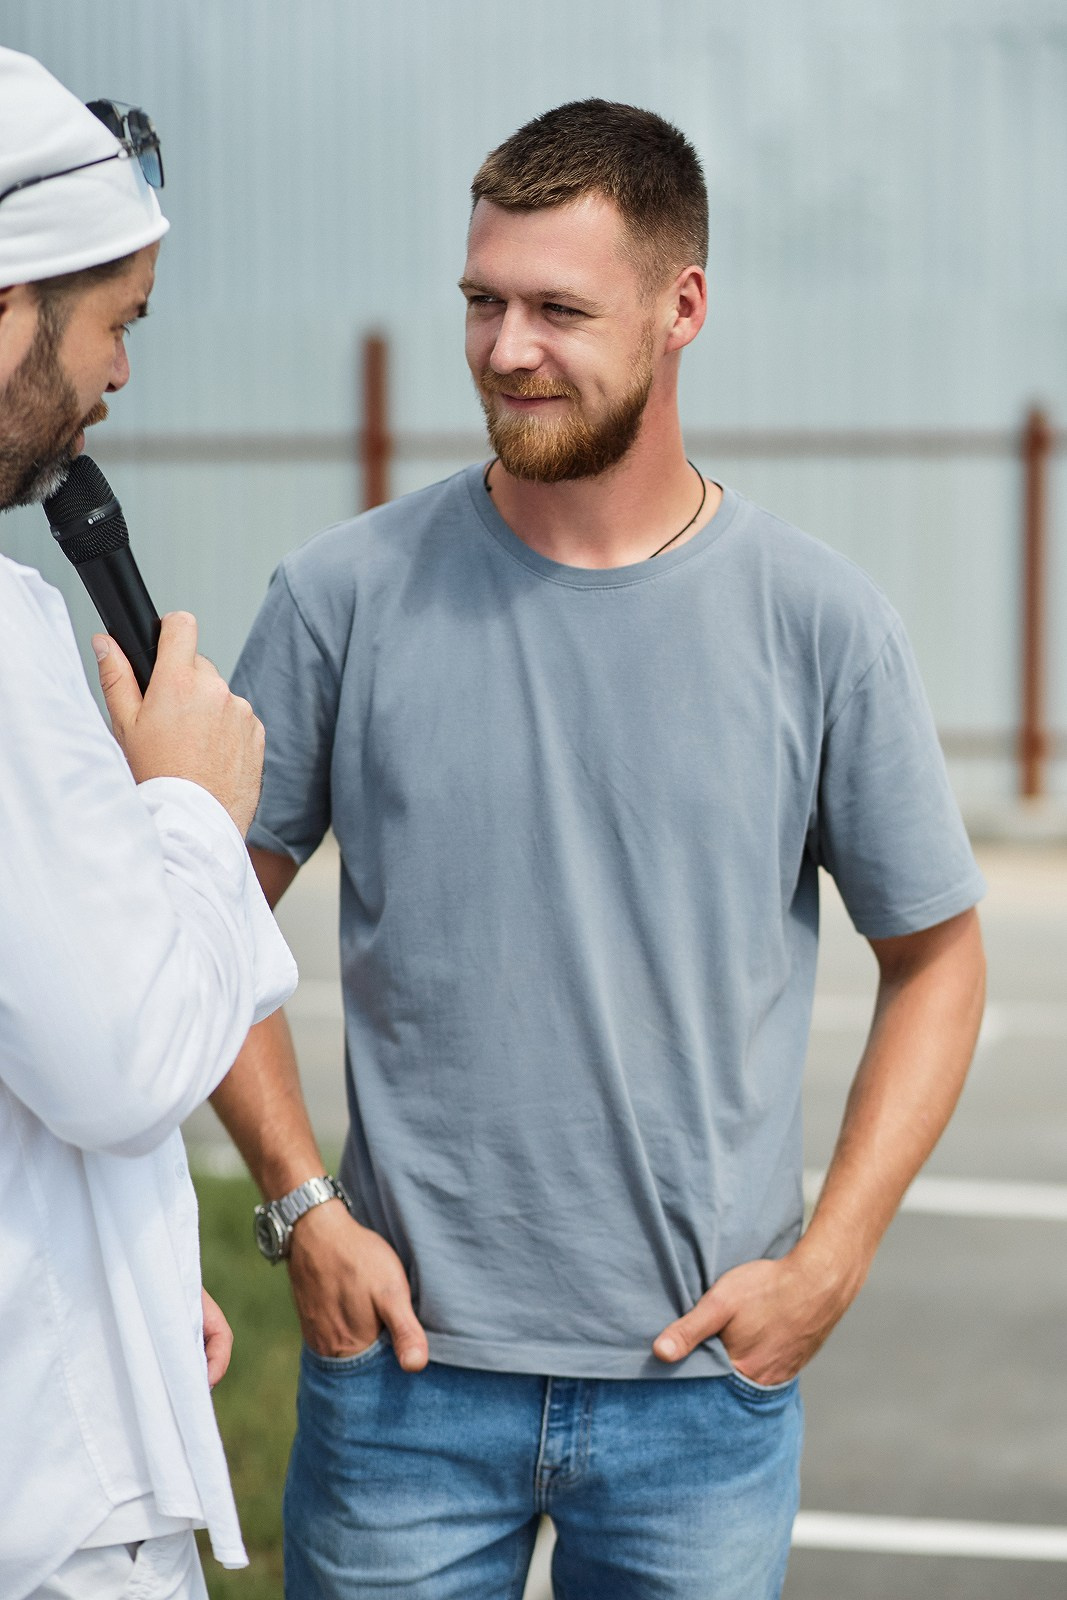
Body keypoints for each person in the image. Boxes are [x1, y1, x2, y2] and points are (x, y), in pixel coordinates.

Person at [219, 100, 986, 1599]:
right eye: (483, 302)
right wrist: (301, 1202)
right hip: (402, 1386)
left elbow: (940, 960)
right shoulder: (339, 598)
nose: (507, 349)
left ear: (681, 308)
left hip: (700, 1402)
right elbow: (199, 924)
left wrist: (831, 1261)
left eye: (558, 309)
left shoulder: (817, 623)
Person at [0, 47, 297, 1600]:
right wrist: (187, 801)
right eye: (117, 322)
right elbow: (116, 1064)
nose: (121, 374)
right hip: (47, 1513)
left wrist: (121, 1266)